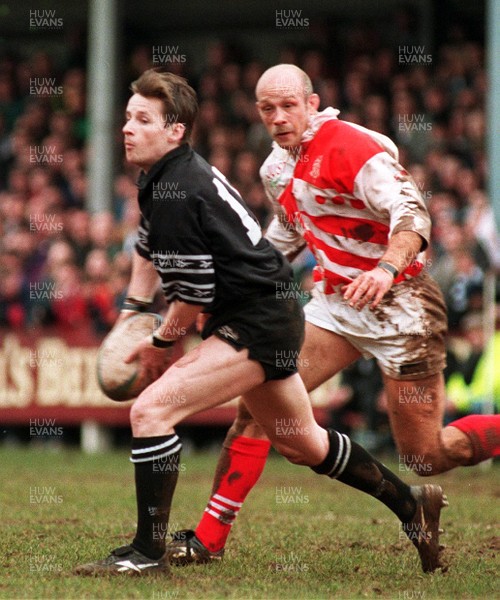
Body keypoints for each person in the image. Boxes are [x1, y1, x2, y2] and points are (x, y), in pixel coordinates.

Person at [75, 69, 447, 576]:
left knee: (150, 412)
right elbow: (149, 245)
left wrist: (160, 344)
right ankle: (412, 504)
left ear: (175, 131)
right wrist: (134, 313)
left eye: (142, 119)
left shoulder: (180, 188)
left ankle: (146, 553)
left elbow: (191, 296)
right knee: (302, 442)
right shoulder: (166, 178)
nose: (127, 128)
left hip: (263, 319)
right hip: (279, 308)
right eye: (127, 118)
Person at [164, 64, 499, 568]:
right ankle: (208, 539)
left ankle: (424, 494)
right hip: (337, 306)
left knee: (425, 456)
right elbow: (283, 240)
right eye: (266, 109)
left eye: (288, 106)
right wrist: (227, 283)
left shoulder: (351, 148)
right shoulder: (276, 170)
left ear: (312, 103)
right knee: (257, 408)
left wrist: (385, 269)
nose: (278, 118)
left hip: (403, 305)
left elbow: (414, 216)